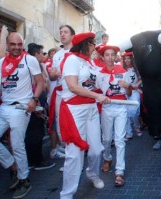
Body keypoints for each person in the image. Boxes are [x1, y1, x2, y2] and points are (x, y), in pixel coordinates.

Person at [59, 32, 109, 199]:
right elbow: (72, 86)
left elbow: (95, 85)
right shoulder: (72, 59)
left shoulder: (90, 63)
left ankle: (92, 174)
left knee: (96, 150)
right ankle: (67, 194)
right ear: (84, 44)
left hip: (91, 109)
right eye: (92, 43)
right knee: (74, 155)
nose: (94, 46)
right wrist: (97, 96)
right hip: (74, 111)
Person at [0, 32, 44, 198]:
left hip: (21, 108)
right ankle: (14, 167)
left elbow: (40, 81)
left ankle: (24, 180)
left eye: (19, 44)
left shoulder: (29, 59)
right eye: (12, 44)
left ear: (22, 44)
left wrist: (34, 99)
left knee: (17, 145)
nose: (16, 47)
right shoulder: (0, 63)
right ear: (7, 45)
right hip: (4, 107)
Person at [96, 45, 132, 187]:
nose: (110, 58)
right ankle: (107, 157)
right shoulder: (99, 73)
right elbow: (97, 93)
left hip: (121, 107)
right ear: (103, 57)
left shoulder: (123, 71)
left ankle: (119, 171)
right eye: (107, 55)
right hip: (107, 108)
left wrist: (127, 86)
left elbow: (128, 94)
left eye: (112, 55)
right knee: (106, 139)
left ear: (116, 56)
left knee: (120, 140)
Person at [25, 43, 56, 170]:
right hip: (34, 103)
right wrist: (36, 102)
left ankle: (35, 159)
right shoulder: (30, 66)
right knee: (34, 132)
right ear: (36, 54)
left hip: (40, 101)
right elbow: (33, 86)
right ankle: (36, 161)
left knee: (38, 131)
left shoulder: (40, 66)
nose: (44, 55)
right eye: (42, 53)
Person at [48, 25, 75, 160]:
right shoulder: (57, 55)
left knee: (74, 123)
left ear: (72, 36)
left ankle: (75, 153)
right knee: (60, 125)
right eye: (61, 32)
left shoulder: (77, 52)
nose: (62, 34)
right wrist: (52, 74)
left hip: (74, 94)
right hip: (60, 93)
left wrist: (61, 73)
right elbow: (53, 76)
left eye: (65, 32)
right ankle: (69, 154)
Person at [122, 51, 143, 140]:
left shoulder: (136, 68)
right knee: (125, 112)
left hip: (134, 92)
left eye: (128, 58)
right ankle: (129, 132)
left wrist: (137, 85)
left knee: (134, 111)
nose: (127, 60)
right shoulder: (120, 68)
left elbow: (141, 79)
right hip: (124, 92)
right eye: (125, 58)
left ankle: (137, 127)